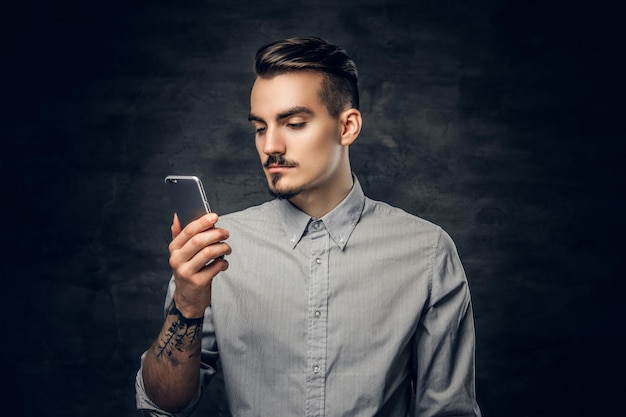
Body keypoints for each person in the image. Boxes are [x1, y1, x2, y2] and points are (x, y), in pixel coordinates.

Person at [136, 36, 482, 417]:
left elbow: (448, 411)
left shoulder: (426, 252)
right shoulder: (217, 250)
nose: (271, 145)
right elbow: (162, 403)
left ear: (347, 127)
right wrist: (186, 303)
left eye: (294, 123)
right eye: (259, 128)